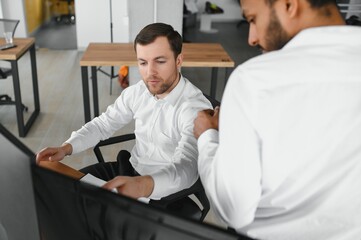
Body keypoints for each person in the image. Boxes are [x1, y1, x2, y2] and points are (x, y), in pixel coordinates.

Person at [193, 0, 361, 239]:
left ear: (290, 5)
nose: (252, 38)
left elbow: (232, 209)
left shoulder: (255, 82)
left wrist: (208, 137)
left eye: (253, 19)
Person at [36, 22, 212, 201]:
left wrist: (142, 185)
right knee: (66, 192)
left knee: (97, 218)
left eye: (160, 61)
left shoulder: (195, 108)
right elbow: (104, 124)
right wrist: (66, 148)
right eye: (143, 62)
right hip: (129, 169)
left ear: (178, 60)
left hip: (164, 191)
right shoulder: (138, 91)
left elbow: (187, 167)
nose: (150, 72)